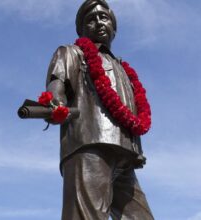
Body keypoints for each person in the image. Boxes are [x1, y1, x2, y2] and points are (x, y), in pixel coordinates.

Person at [45, 0, 154, 219]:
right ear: (82, 29)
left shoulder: (123, 68)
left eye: (104, 17)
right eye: (91, 19)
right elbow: (56, 83)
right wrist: (56, 102)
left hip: (124, 153)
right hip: (89, 143)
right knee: (86, 215)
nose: (99, 22)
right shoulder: (72, 52)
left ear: (114, 27)